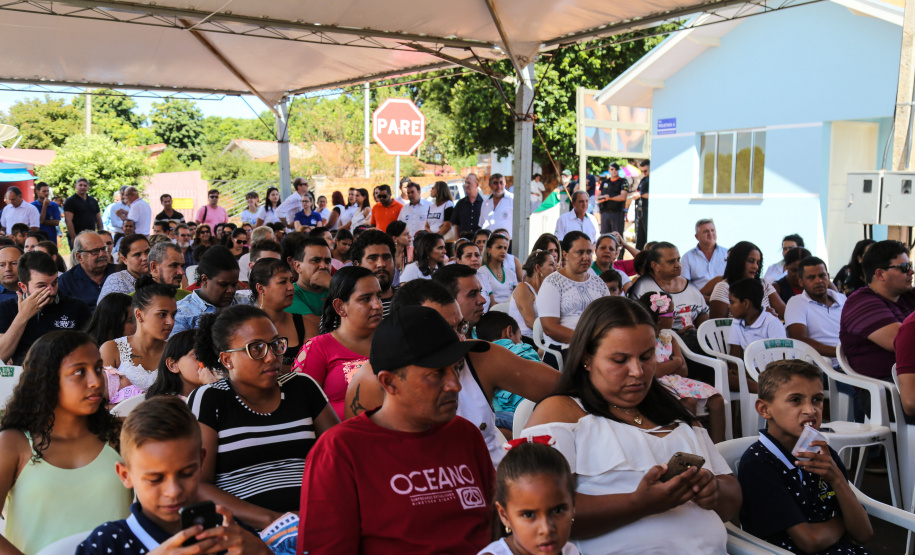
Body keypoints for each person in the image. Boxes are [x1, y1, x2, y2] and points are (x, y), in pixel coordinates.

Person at [522, 296, 741, 554]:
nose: (637, 371)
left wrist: (712, 490)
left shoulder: (677, 414)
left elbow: (731, 500)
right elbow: (537, 513)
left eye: (647, 357)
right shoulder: (561, 411)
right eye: (619, 360)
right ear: (586, 358)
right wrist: (638, 503)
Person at [297, 306, 495, 555]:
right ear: (389, 382)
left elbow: (495, 528)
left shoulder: (465, 434)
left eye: (456, 368)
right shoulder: (340, 450)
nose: (455, 385)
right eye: (436, 373)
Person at [344, 280, 560, 464]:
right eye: (442, 330)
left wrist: (531, 435)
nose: (457, 339)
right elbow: (367, 465)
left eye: (461, 327)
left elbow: (567, 388)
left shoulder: (479, 355)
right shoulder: (371, 383)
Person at [189, 304, 338, 527]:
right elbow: (199, 485)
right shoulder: (211, 399)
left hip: (318, 520)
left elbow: (341, 455)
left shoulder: (302, 387)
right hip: (247, 531)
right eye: (256, 348)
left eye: (276, 345)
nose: (271, 357)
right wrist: (276, 521)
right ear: (227, 360)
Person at [76, 396, 271, 555]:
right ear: (126, 475)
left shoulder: (230, 533)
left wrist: (262, 551)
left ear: (201, 461)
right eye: (155, 479)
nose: (173, 491)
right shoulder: (107, 543)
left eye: (187, 473)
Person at [0, 331, 133, 554]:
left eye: (98, 369)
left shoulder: (122, 434)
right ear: (46, 379)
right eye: (79, 371)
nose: (95, 381)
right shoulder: (13, 443)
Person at [738, 360, 873, 554]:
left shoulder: (823, 454)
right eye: (796, 400)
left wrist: (837, 479)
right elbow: (810, 541)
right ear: (764, 409)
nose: (811, 410)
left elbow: (863, 533)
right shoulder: (759, 464)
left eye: (817, 399)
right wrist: (842, 523)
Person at [637, 291, 726, 443]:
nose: (675, 316)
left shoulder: (670, 339)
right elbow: (655, 371)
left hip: (677, 381)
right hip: (656, 386)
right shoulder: (644, 341)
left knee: (717, 399)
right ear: (659, 320)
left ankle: (719, 445)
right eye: (672, 313)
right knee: (688, 402)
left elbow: (684, 371)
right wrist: (676, 362)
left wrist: (671, 365)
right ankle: (691, 446)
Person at [294, 266, 382, 419]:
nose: (377, 305)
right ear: (340, 307)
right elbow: (300, 408)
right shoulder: (317, 348)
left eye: (378, 297)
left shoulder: (394, 344)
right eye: (365, 299)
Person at [480, 441, 580, 555]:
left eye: (558, 510)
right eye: (529, 515)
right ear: (504, 515)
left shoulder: (570, 551)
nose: (546, 529)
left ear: (572, 505)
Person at [840, 239, 915, 380]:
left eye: (910, 265)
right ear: (880, 274)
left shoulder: (908, 294)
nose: (911, 271)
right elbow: (903, 342)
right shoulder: (860, 303)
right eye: (904, 267)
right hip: (883, 387)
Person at [0, 251, 92, 364]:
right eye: (42, 286)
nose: (51, 291)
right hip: (25, 376)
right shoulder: (6, 308)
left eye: (54, 283)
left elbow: (91, 349)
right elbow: (2, 356)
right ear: (23, 286)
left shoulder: (77, 307)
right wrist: (23, 316)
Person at [99, 275, 176, 402]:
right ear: (139, 315)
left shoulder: (174, 351)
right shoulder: (112, 349)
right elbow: (98, 405)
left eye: (173, 315)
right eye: (162, 314)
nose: (170, 322)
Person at [537, 231, 608, 346]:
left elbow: (609, 317)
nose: (586, 257)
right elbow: (549, 328)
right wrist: (586, 341)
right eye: (580, 252)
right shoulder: (553, 283)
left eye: (589, 252)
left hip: (597, 346)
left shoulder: (598, 283)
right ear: (565, 255)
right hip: (564, 349)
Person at [475, 311, 541, 434]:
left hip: (508, 418)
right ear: (509, 332)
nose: (520, 342)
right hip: (534, 412)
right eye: (520, 338)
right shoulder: (524, 349)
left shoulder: (480, 360)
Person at [250, 258, 313, 374]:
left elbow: (311, 371)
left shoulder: (305, 325)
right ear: (260, 288)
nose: (291, 287)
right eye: (282, 282)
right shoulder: (244, 327)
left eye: (291, 280)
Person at [172, 245, 252, 336]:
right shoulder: (182, 313)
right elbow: (179, 349)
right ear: (205, 280)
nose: (230, 290)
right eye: (223, 285)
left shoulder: (246, 303)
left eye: (234, 285)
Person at [727, 278, 787, 392]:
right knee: (728, 379)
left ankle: (769, 391)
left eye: (732, 302)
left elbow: (780, 360)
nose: (729, 306)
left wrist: (749, 373)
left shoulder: (772, 322)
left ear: (746, 303)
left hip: (773, 374)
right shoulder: (736, 322)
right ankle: (768, 391)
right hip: (749, 374)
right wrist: (743, 372)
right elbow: (735, 357)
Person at [785, 256, 846, 367]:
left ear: (828, 277)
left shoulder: (842, 299)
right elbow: (800, 340)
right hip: (820, 368)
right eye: (811, 278)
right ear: (801, 282)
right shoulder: (796, 302)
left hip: (849, 362)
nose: (818, 281)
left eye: (822, 276)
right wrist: (841, 353)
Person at [708, 241, 785, 319]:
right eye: (751, 261)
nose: (756, 266)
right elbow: (717, 327)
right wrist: (758, 317)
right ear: (738, 262)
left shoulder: (763, 284)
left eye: (758, 262)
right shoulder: (723, 287)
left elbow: (784, 313)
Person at [144, 331, 216, 399]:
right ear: (173, 365)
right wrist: (211, 389)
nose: (207, 360)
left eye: (211, 354)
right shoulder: (168, 403)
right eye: (196, 355)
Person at [58, 231, 119, 311]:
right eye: (94, 251)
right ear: (80, 257)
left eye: (103, 249)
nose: (102, 254)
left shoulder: (120, 273)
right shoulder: (65, 282)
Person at [510, 249, 557, 347]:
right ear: (538, 268)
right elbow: (530, 322)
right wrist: (555, 332)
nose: (556, 268)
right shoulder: (523, 288)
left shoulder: (545, 290)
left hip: (541, 338)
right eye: (551, 264)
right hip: (525, 341)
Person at [351, 228, 398, 318]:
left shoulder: (410, 299)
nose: (381, 264)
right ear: (357, 265)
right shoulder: (345, 307)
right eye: (373, 258)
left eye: (386, 257)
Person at [287, 237, 333, 322]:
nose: (324, 266)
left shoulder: (336, 288)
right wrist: (333, 285)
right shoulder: (290, 294)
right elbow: (314, 325)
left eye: (327, 261)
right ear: (298, 266)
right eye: (316, 260)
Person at [680, 218, 728, 294]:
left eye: (712, 230)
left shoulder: (727, 253)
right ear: (697, 236)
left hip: (724, 297)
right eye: (706, 231)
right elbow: (684, 285)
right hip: (698, 300)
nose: (710, 233)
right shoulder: (687, 257)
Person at [98, 233, 150, 303]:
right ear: (124, 259)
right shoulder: (116, 281)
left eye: (147, 251)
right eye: (137, 255)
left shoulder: (157, 277)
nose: (145, 258)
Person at [483, 232, 518, 305]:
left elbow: (518, 298)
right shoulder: (482, 272)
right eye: (499, 247)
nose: (503, 251)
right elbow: (490, 302)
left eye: (505, 248)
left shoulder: (511, 273)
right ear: (488, 250)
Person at [596, 163, 630, 234]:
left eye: (616, 169)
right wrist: (603, 198)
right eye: (612, 169)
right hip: (604, 212)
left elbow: (623, 197)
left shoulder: (623, 181)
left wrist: (609, 197)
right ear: (609, 170)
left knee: (616, 236)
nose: (614, 171)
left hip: (617, 213)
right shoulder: (605, 182)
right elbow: (598, 197)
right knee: (604, 235)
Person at [481, 173, 513, 238]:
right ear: (490, 185)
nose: (499, 186)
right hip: (488, 242)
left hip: (506, 242)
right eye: (495, 183)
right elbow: (481, 223)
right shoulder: (485, 202)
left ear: (505, 183)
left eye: (501, 183)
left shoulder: (512, 200)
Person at [633, 159, 649, 249]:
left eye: (645, 171)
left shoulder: (654, 180)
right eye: (642, 171)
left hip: (648, 210)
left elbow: (654, 195)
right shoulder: (643, 179)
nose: (644, 173)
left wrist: (640, 195)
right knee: (639, 238)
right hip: (640, 210)